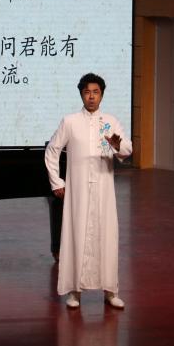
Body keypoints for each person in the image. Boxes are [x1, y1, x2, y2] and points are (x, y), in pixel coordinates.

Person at [44, 73, 132, 309]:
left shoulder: (110, 121)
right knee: (76, 235)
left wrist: (116, 145)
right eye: (87, 92)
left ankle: (111, 290)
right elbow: (52, 150)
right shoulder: (70, 121)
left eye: (95, 92)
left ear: (102, 95)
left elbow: (127, 150)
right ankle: (75, 291)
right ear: (81, 95)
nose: (91, 97)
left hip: (104, 189)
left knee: (107, 235)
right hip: (78, 190)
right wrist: (57, 182)